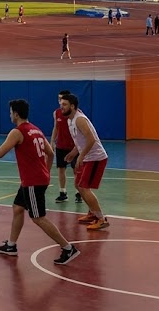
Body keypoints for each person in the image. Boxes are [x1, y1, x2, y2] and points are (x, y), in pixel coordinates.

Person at [0, 99, 81, 265]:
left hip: (33, 181)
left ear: (16, 113)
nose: (9, 115)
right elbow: (50, 153)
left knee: (38, 218)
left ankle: (67, 248)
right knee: (18, 208)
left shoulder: (17, 132)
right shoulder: (36, 130)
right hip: (35, 179)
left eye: (10, 112)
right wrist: (46, 172)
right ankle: (11, 245)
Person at [60, 93, 110, 230]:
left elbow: (91, 139)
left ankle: (101, 218)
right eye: (60, 104)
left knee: (83, 187)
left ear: (73, 106)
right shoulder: (69, 121)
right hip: (87, 156)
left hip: (95, 157)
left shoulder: (79, 119)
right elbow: (80, 141)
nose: (61, 107)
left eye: (64, 104)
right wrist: (73, 153)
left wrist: (80, 157)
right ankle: (92, 213)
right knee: (78, 185)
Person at [50, 90, 79, 204]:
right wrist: (52, 141)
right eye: (59, 100)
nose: (60, 102)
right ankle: (63, 193)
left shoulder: (77, 115)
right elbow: (56, 127)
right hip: (61, 146)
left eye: (63, 100)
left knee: (76, 170)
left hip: (74, 147)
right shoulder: (56, 113)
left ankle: (79, 192)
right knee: (61, 169)